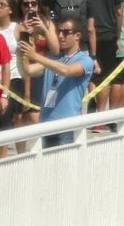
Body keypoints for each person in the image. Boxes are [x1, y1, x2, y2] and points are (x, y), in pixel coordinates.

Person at [22, 15, 93, 147]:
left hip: (67, 125)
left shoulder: (85, 60)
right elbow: (27, 71)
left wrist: (36, 56)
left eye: (66, 32)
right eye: (59, 31)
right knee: (48, 166)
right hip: (46, 122)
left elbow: (67, 71)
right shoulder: (54, 61)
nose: (61, 36)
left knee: (64, 165)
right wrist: (23, 53)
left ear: (77, 36)